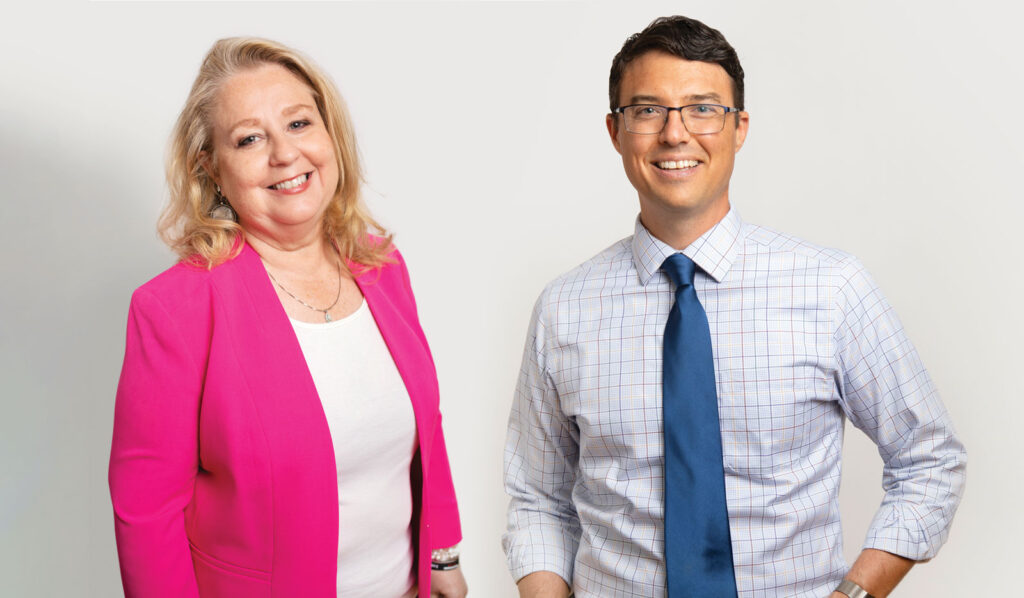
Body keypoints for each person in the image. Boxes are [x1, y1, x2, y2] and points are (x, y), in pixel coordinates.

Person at [503, 15, 965, 598]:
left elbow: (930, 459)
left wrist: (855, 594)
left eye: (702, 108)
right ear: (615, 131)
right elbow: (537, 498)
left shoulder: (831, 289)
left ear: (739, 127)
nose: (675, 134)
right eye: (647, 110)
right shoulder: (562, 309)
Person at [109, 37, 467, 598]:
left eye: (299, 124)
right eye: (249, 138)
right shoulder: (175, 309)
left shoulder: (382, 266)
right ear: (212, 167)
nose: (284, 154)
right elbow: (147, 513)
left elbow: (427, 424)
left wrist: (442, 556)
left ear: (330, 134)